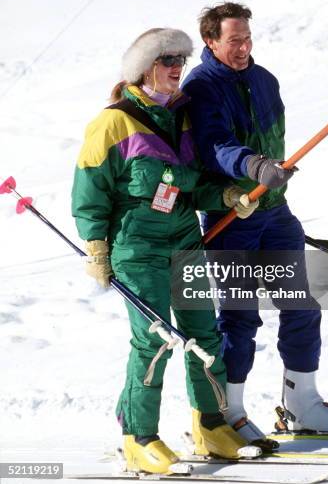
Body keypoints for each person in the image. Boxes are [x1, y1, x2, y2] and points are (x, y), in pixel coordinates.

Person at [71, 28, 260, 474]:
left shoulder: (184, 117)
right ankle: (140, 438)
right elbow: (89, 189)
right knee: (156, 342)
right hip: (136, 250)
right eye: (166, 60)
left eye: (180, 60)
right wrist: (96, 245)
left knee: (205, 336)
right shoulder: (112, 123)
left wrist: (228, 196)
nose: (176, 68)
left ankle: (211, 426)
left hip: (184, 242)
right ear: (143, 68)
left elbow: (190, 183)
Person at [182, 3, 328, 444]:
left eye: (247, 38)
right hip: (234, 214)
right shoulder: (200, 87)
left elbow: (271, 135)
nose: (244, 48)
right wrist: (255, 166)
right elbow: (215, 144)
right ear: (211, 41)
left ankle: (302, 403)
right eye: (233, 41)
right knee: (239, 317)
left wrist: (275, 171)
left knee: (301, 306)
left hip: (275, 214)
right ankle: (230, 413)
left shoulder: (265, 80)